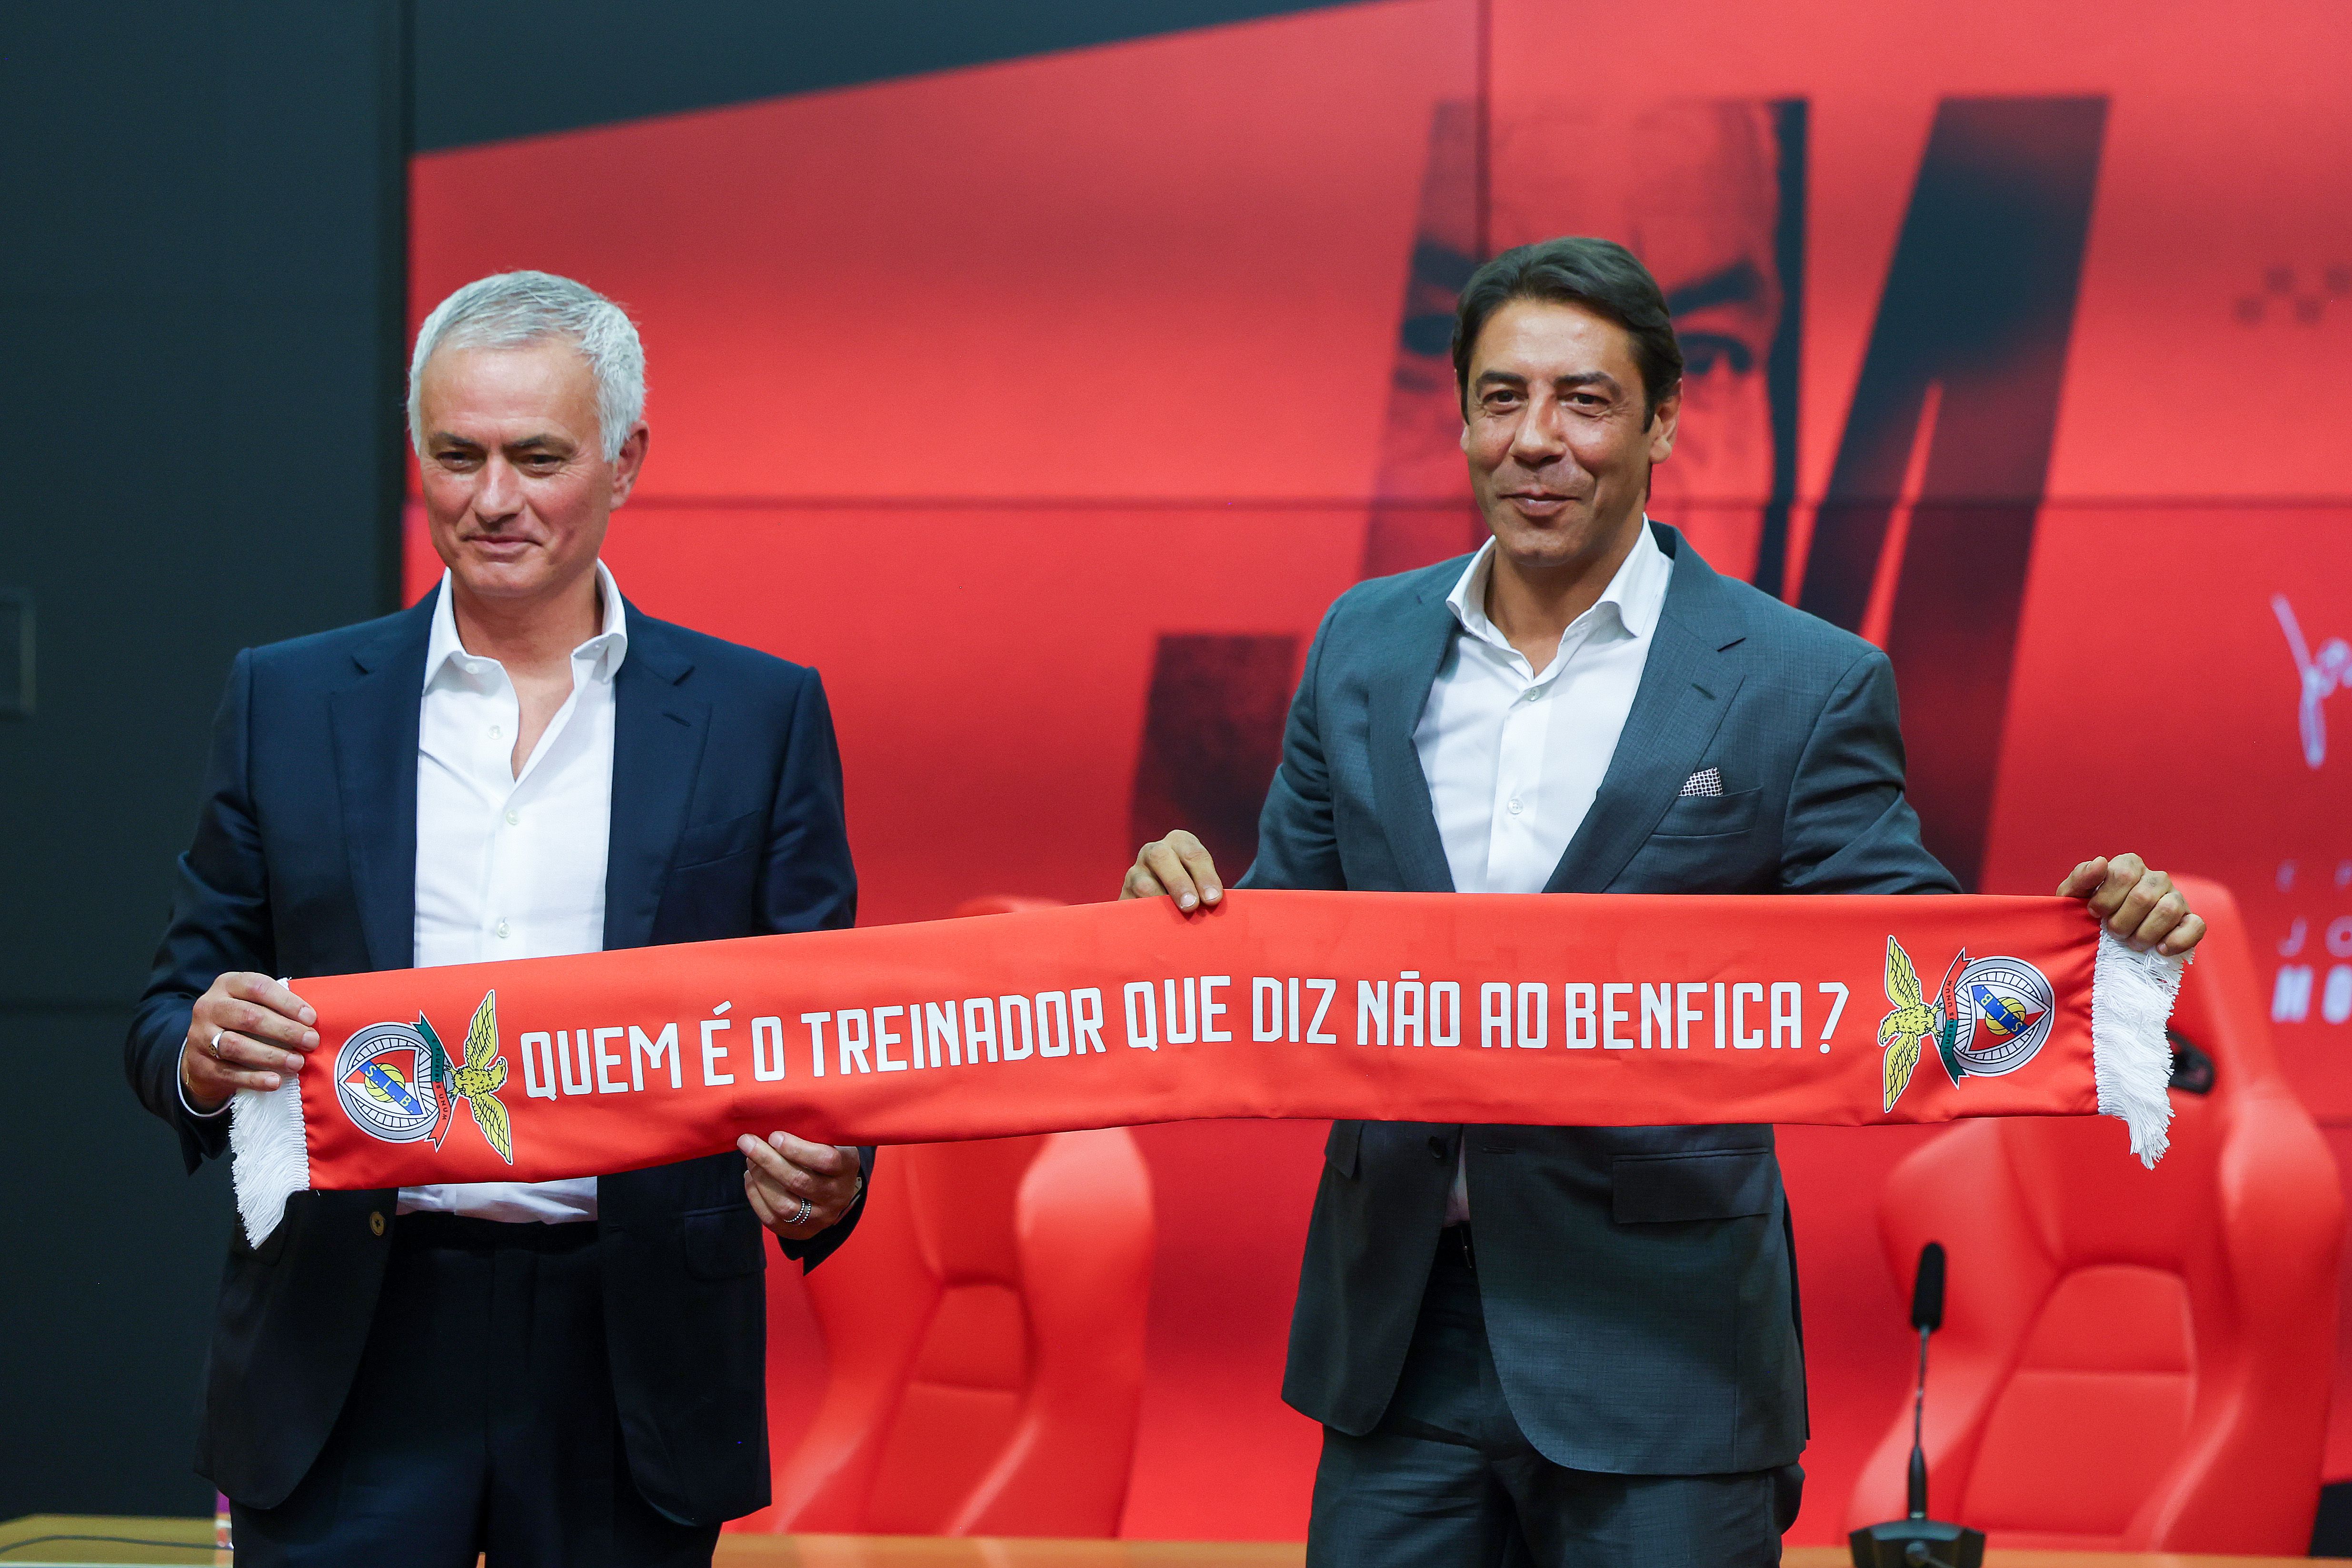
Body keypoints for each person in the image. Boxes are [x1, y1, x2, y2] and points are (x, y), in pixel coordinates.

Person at [1122, 236, 2205, 1567]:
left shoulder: (1798, 680)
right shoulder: (1363, 642)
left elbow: (1906, 972)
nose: (1537, 441)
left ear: (1662, 421)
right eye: (1503, 397)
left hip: (1663, 1349)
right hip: (1398, 1337)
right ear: (1459, 414)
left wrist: (2093, 953)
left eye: (1584, 401)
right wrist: (1178, 909)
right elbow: (1282, 940)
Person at [126, 271, 867, 1567]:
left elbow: (825, 1052)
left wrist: (825, 1179)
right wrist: (196, 1055)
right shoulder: (285, 702)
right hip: (347, 1339)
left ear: (625, 461)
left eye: (538, 457)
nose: (492, 499)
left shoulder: (759, 719)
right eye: (456, 456)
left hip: (629, 1349)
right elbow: (166, 1014)